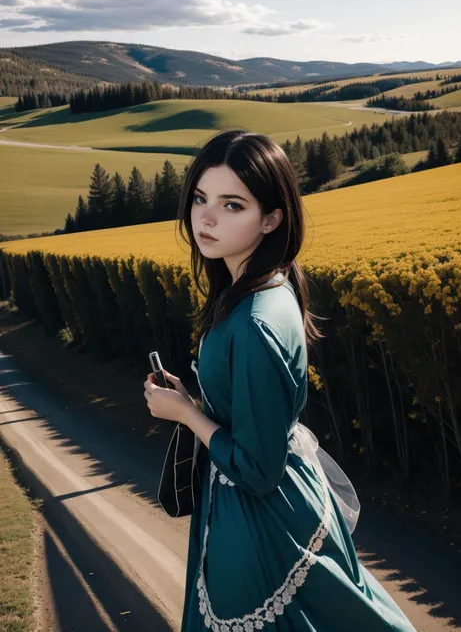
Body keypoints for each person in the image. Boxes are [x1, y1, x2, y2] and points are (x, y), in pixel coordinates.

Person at [143, 130, 417, 631]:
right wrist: (195, 399)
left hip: (260, 524)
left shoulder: (254, 320)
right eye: (200, 198)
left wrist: (185, 413)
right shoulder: (264, 284)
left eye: (231, 205)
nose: (205, 218)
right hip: (273, 506)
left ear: (271, 219)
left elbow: (255, 470)